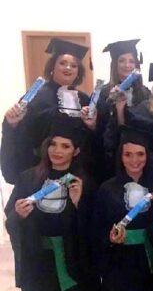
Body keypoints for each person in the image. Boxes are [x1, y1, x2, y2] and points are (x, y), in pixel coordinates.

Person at [5, 114, 97, 291]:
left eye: (65, 146)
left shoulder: (83, 182)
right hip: (39, 257)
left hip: (71, 256)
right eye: (53, 144)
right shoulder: (28, 178)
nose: (57, 151)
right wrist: (18, 215)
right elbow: (11, 219)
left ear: (76, 151)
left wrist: (79, 203)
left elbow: (93, 228)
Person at [92, 127, 153, 291]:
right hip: (120, 257)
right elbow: (97, 226)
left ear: (147, 156)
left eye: (140, 154)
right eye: (128, 154)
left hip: (149, 253)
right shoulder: (107, 188)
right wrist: (109, 238)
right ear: (120, 157)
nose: (134, 160)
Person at [2, 38, 93, 184]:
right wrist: (12, 124)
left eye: (74, 65)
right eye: (62, 63)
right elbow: (22, 133)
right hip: (42, 169)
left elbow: (90, 138)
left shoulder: (84, 100)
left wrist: (92, 126)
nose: (68, 68)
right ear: (52, 67)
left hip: (76, 171)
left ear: (78, 72)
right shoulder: (36, 96)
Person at [97, 39, 151, 182]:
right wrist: (116, 108)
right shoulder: (104, 92)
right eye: (122, 60)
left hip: (139, 154)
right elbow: (100, 126)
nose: (127, 65)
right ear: (115, 64)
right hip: (111, 152)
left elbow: (149, 124)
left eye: (131, 61)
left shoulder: (145, 93)